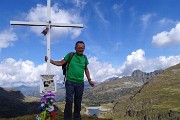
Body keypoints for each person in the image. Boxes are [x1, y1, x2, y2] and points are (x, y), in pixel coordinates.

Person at [45, 41, 95, 120]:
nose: (81, 49)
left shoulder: (85, 58)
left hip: (80, 84)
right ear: (75, 48)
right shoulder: (70, 55)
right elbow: (61, 63)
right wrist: (50, 61)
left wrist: (89, 80)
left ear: (84, 49)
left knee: (78, 103)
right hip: (70, 82)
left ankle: (77, 118)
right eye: (79, 48)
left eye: (82, 48)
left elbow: (86, 69)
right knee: (69, 102)